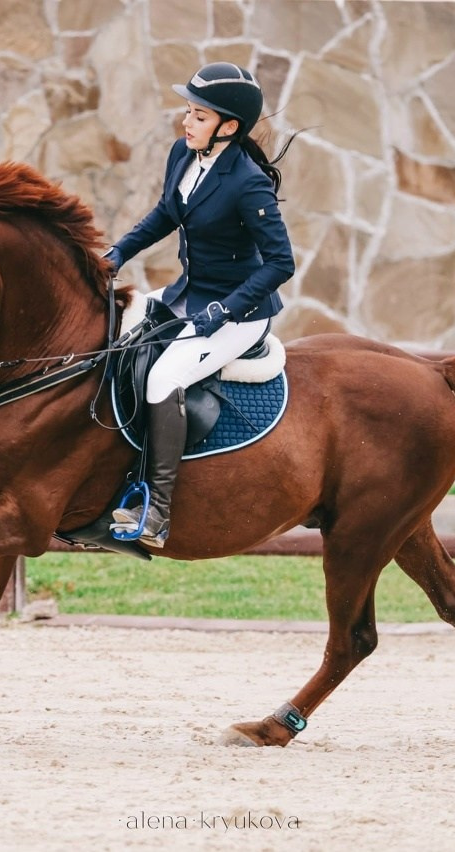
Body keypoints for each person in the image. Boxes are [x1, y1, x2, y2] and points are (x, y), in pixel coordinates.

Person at [106, 62, 296, 548]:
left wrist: (225, 310)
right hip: (187, 296)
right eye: (187, 112)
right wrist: (119, 253)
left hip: (239, 315)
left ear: (228, 127)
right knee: (116, 342)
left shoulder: (248, 183)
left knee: (164, 377)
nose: (186, 123)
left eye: (198, 115)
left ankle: (158, 511)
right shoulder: (183, 153)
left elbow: (280, 263)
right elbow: (167, 213)